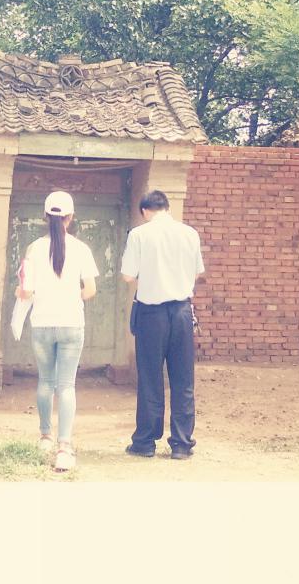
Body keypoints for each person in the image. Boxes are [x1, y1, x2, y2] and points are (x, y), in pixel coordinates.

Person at [16, 190, 99, 472]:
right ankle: (64, 447)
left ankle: (45, 437)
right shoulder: (81, 249)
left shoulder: (33, 249)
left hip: (41, 323)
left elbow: (26, 291)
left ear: (45, 216)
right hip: (71, 323)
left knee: (45, 382)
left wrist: (22, 292)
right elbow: (90, 290)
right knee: (66, 386)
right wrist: (72, 296)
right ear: (70, 217)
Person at [121, 189, 205, 460]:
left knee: (150, 378)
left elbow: (127, 276)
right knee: (183, 379)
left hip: (151, 314)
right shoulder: (190, 233)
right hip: (182, 312)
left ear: (145, 211)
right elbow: (197, 272)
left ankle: (145, 442)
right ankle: (181, 444)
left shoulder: (139, 234)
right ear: (167, 208)